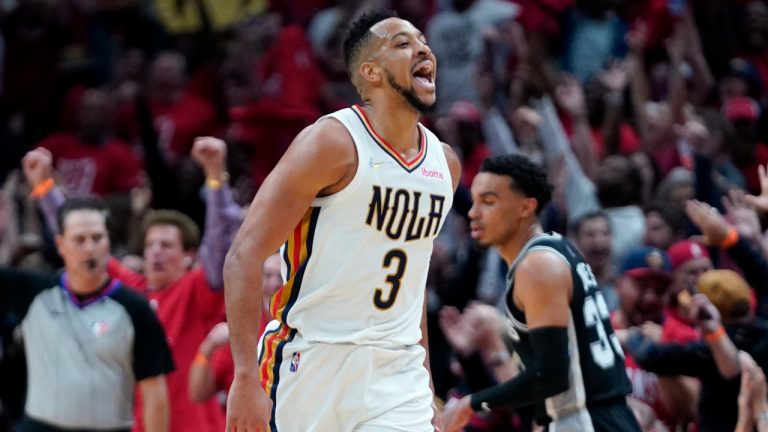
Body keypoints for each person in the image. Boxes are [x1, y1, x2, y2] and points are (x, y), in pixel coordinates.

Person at [224, 10, 461, 432]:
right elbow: (244, 252)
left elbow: (413, 283)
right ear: (369, 72)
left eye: (423, 41)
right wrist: (244, 376)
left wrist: (425, 382)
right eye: (403, 44)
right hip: (314, 362)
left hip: (396, 371)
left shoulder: (445, 165)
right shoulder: (331, 143)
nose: (423, 49)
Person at [22, 136, 241, 432]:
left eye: (166, 245)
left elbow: (219, 239)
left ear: (189, 257)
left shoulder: (198, 288)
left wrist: (216, 176)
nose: (155, 252)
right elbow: (80, 240)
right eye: (150, 245)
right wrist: (45, 188)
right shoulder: (131, 291)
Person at [442, 154, 640, 432]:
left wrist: (472, 403)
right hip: (596, 415)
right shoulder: (556, 249)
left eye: (488, 202)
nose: (474, 213)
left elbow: (551, 377)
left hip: (587, 420)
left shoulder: (538, 265)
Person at [1, 197, 174, 431]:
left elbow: (155, 392)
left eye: (97, 238)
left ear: (108, 243)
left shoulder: (135, 308)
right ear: (60, 244)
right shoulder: (34, 293)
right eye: (79, 240)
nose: (89, 248)